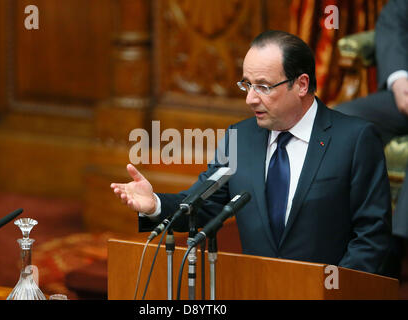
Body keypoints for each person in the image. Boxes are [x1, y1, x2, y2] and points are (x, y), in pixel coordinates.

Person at [111, 30, 393, 276]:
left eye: (263, 86)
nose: (250, 98)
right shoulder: (240, 138)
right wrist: (155, 205)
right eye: (246, 84)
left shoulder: (354, 140)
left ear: (301, 85)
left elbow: (371, 238)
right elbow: (201, 206)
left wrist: (336, 291)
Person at [335, 0, 408, 238]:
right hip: (403, 96)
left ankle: (395, 246)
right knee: (342, 121)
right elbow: (394, 17)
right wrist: (399, 80)